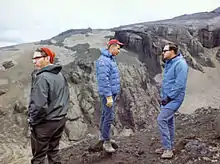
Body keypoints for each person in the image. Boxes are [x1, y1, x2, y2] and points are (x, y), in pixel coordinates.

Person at [28, 47, 70, 164]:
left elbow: (39, 105)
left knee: (39, 157)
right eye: (33, 58)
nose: (34, 61)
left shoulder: (42, 77)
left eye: (37, 58)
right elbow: (66, 97)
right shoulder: (60, 75)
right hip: (59, 120)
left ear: (47, 58)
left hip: (45, 123)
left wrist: (32, 120)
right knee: (53, 151)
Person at [156, 43, 188, 159]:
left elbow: (180, 85)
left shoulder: (180, 64)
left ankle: (168, 150)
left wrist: (169, 97)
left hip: (175, 98)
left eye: (165, 51)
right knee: (169, 121)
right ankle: (169, 145)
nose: (163, 53)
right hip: (168, 97)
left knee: (161, 119)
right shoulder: (170, 63)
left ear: (173, 51)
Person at [95, 39, 124, 153]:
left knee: (105, 115)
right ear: (112, 47)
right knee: (109, 117)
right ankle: (106, 142)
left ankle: (103, 138)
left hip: (111, 93)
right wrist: (108, 96)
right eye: (118, 48)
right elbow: (104, 80)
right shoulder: (104, 61)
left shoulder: (110, 59)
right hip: (108, 94)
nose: (119, 51)